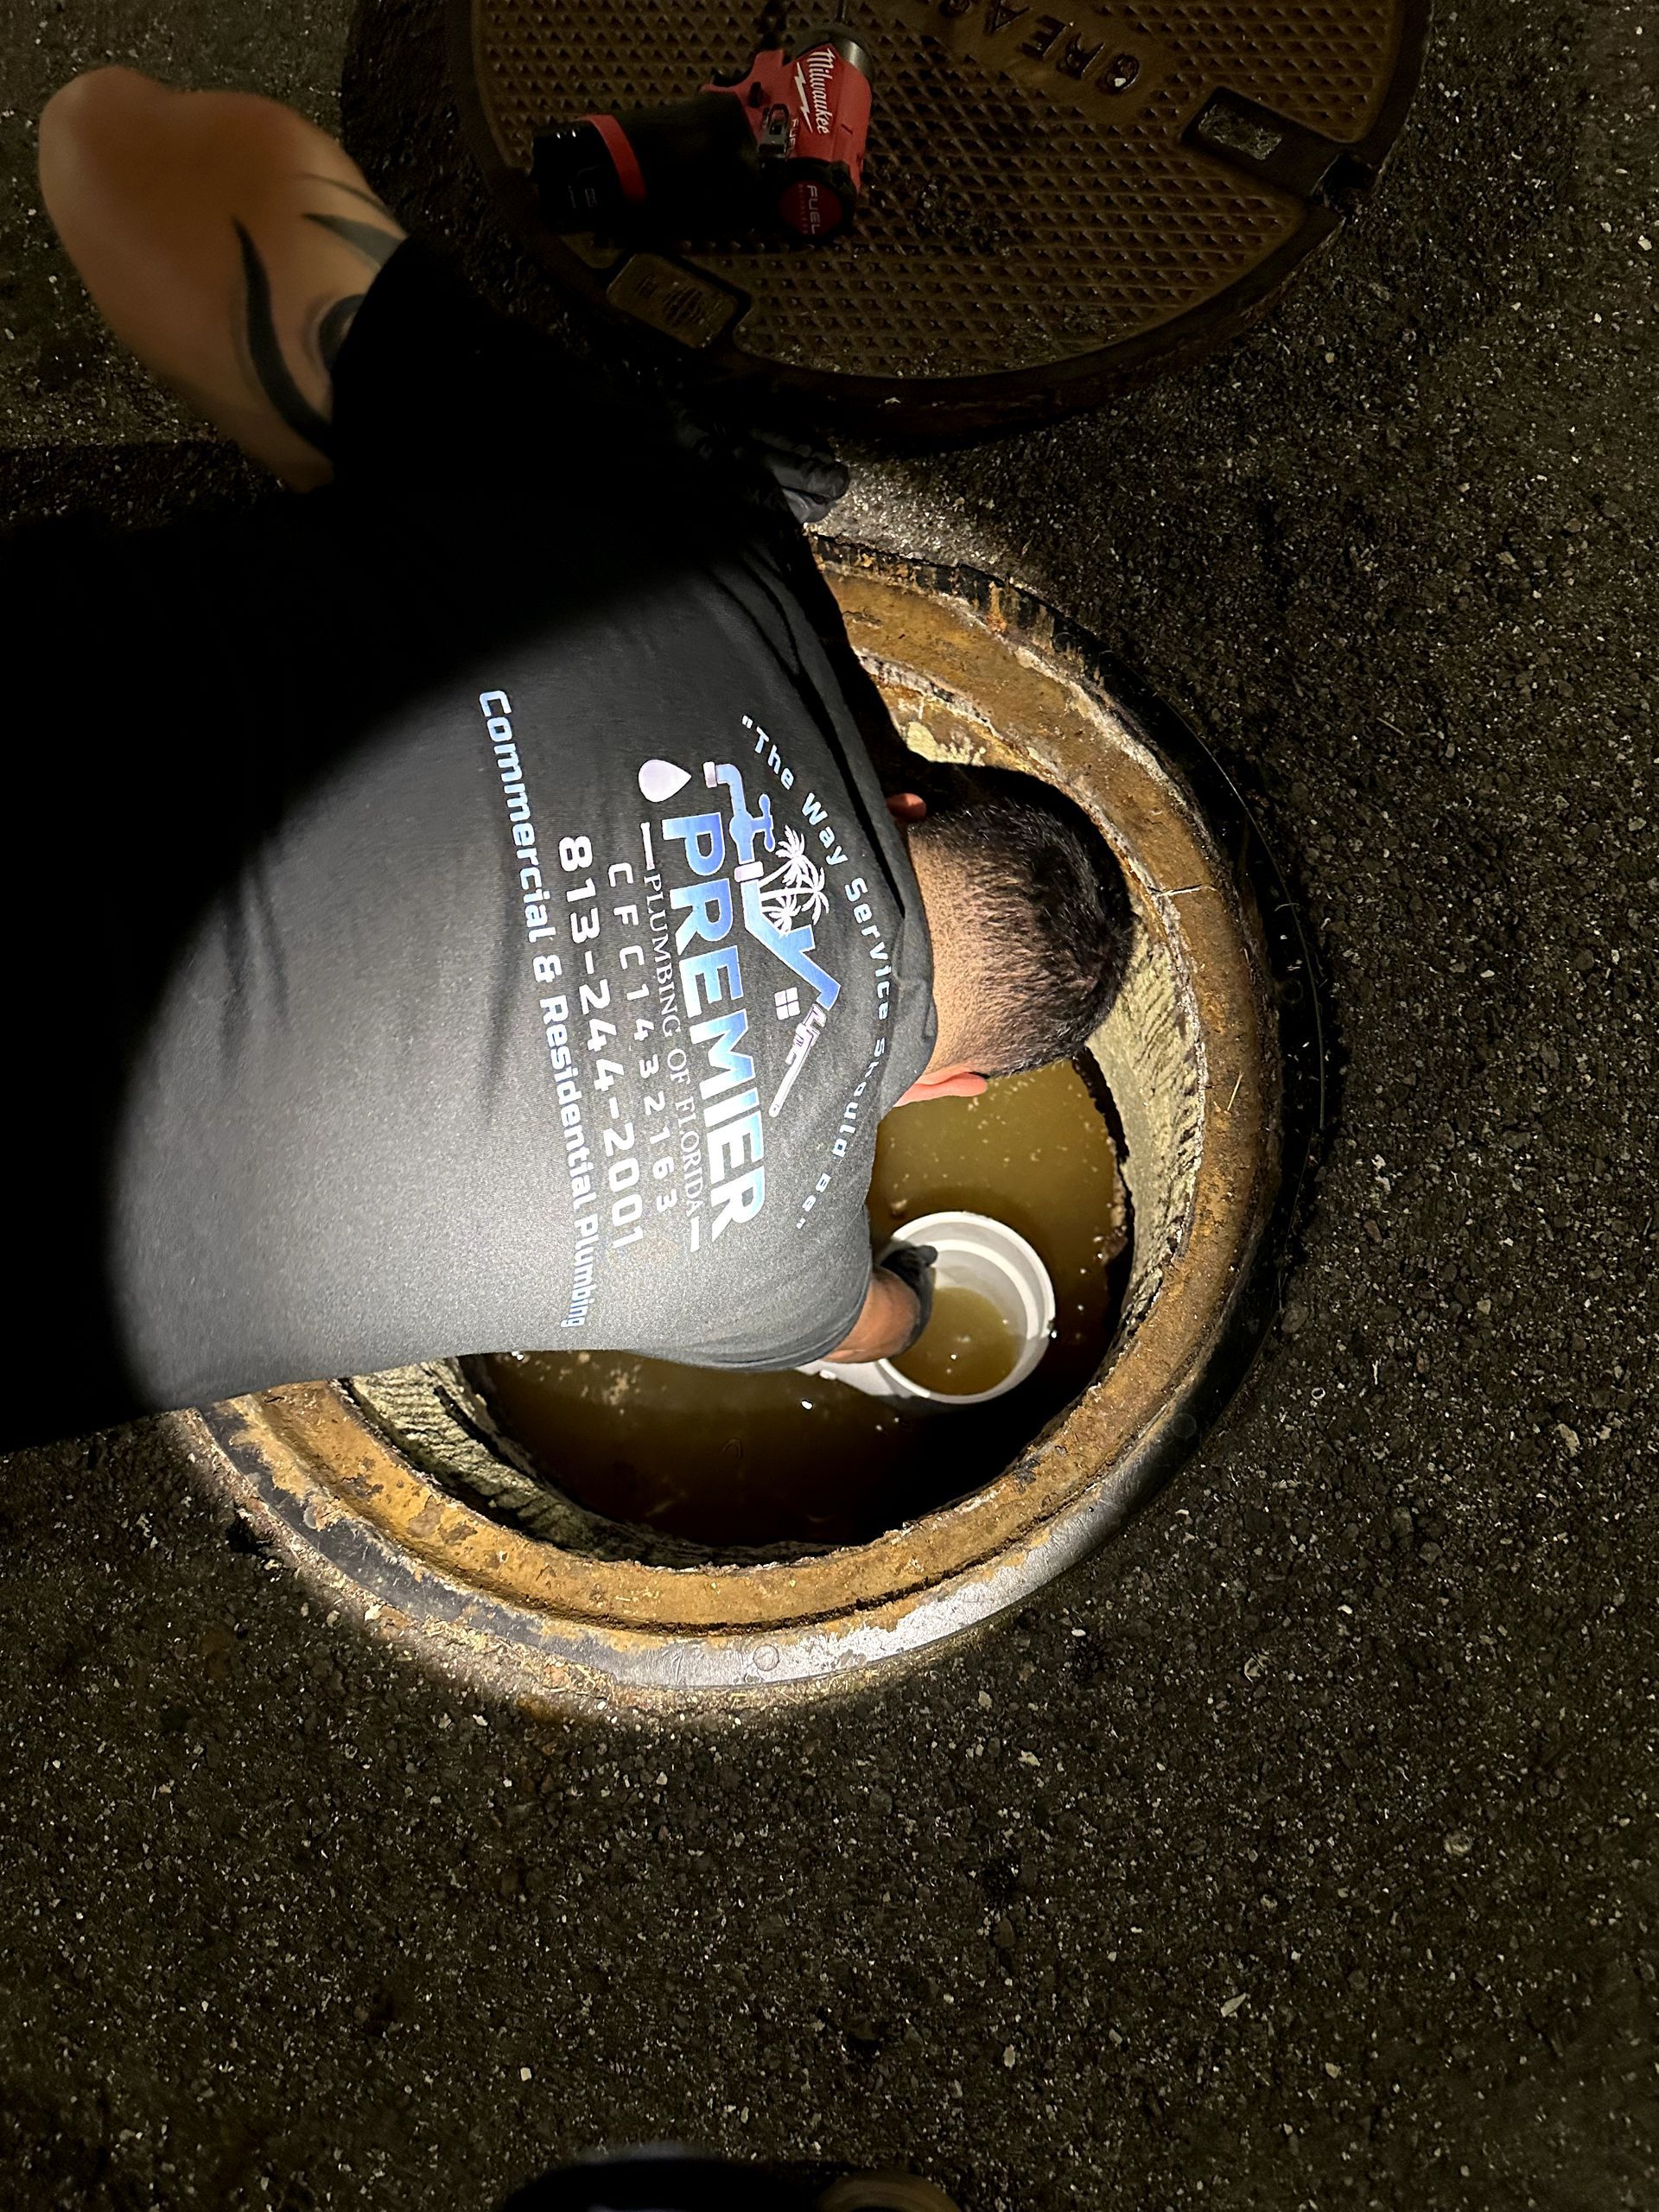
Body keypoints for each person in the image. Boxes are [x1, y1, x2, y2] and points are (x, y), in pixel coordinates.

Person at [5, 67, 1129, 1452]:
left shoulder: (684, 535)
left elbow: (115, 155)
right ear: (944, 1089)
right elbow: (867, 1331)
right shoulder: (771, 1272)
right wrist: (897, 1299)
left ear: (910, 791)